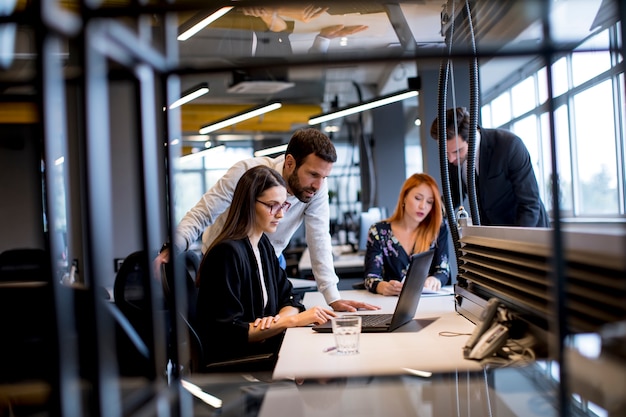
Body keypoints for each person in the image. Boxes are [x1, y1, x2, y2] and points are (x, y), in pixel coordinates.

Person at [156, 128, 379, 312]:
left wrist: (332, 297)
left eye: (324, 177)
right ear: (290, 163)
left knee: (282, 313)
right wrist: (172, 247)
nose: (319, 185)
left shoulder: (317, 187)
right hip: (226, 262)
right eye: (313, 174)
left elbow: (319, 237)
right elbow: (203, 213)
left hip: (269, 258)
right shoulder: (247, 173)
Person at [195, 166, 336, 366]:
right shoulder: (226, 254)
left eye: (283, 206)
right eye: (272, 206)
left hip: (263, 349)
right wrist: (290, 321)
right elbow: (227, 333)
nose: (280, 215)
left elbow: (289, 297)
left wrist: (278, 321)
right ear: (248, 205)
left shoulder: (262, 245)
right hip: (238, 361)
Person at [430, 107, 550, 227]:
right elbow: (454, 194)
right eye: (446, 153)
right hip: (493, 232)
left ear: (471, 136)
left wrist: (516, 241)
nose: (450, 159)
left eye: (458, 151)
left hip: (528, 229)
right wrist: (431, 213)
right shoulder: (453, 157)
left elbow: (529, 204)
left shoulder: (509, 146)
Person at [363, 173, 451, 296]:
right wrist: (382, 287)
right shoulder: (378, 231)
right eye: (418, 198)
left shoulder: (438, 229)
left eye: (429, 202)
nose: (423, 206)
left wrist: (434, 280)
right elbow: (370, 278)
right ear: (404, 197)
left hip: (428, 302)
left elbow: (443, 270)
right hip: (389, 303)